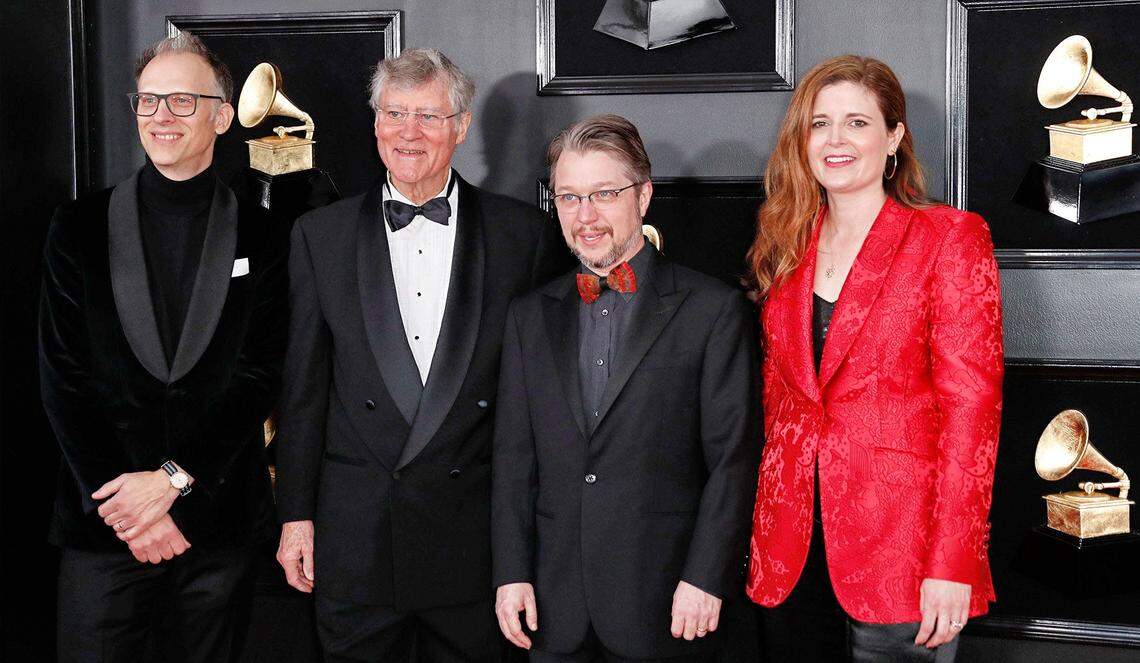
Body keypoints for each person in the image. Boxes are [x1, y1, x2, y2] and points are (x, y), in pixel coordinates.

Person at [272, 48, 569, 662]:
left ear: (461, 127)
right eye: (395, 113)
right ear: (375, 123)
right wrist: (295, 515)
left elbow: (542, 405)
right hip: (356, 542)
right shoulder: (318, 236)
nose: (410, 132)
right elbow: (302, 389)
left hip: (476, 545)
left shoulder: (525, 238)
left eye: (429, 117)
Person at [745, 55, 1004, 661]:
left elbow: (973, 415)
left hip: (904, 555)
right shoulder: (784, 246)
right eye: (819, 123)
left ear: (895, 137)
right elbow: (779, 404)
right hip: (790, 553)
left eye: (857, 123)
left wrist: (954, 562)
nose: (835, 140)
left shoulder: (949, 238)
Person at [40, 32, 287, 663]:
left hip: (216, 524)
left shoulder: (266, 236)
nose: (161, 117)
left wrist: (174, 484)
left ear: (222, 117)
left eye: (181, 101)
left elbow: (258, 377)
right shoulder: (78, 227)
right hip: (105, 526)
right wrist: (131, 508)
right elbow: (63, 377)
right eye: (149, 102)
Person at [492, 114, 758, 662]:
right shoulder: (528, 317)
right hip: (551, 605)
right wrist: (512, 572)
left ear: (643, 196)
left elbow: (733, 460)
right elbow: (514, 460)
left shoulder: (713, 310)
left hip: (668, 601)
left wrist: (705, 577)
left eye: (604, 194)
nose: (585, 216)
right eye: (568, 197)